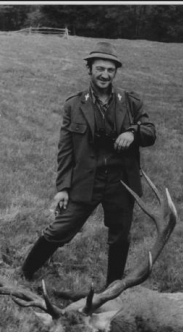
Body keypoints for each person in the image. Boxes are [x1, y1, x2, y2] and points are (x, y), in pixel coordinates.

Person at [21, 42, 156, 287]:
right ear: (89, 70)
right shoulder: (74, 105)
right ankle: (25, 273)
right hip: (86, 180)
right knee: (60, 229)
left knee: (120, 236)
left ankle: (113, 287)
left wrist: (133, 132)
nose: (105, 74)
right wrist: (63, 187)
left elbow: (150, 131)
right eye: (99, 69)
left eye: (110, 70)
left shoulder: (130, 102)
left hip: (121, 182)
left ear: (116, 73)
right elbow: (65, 149)